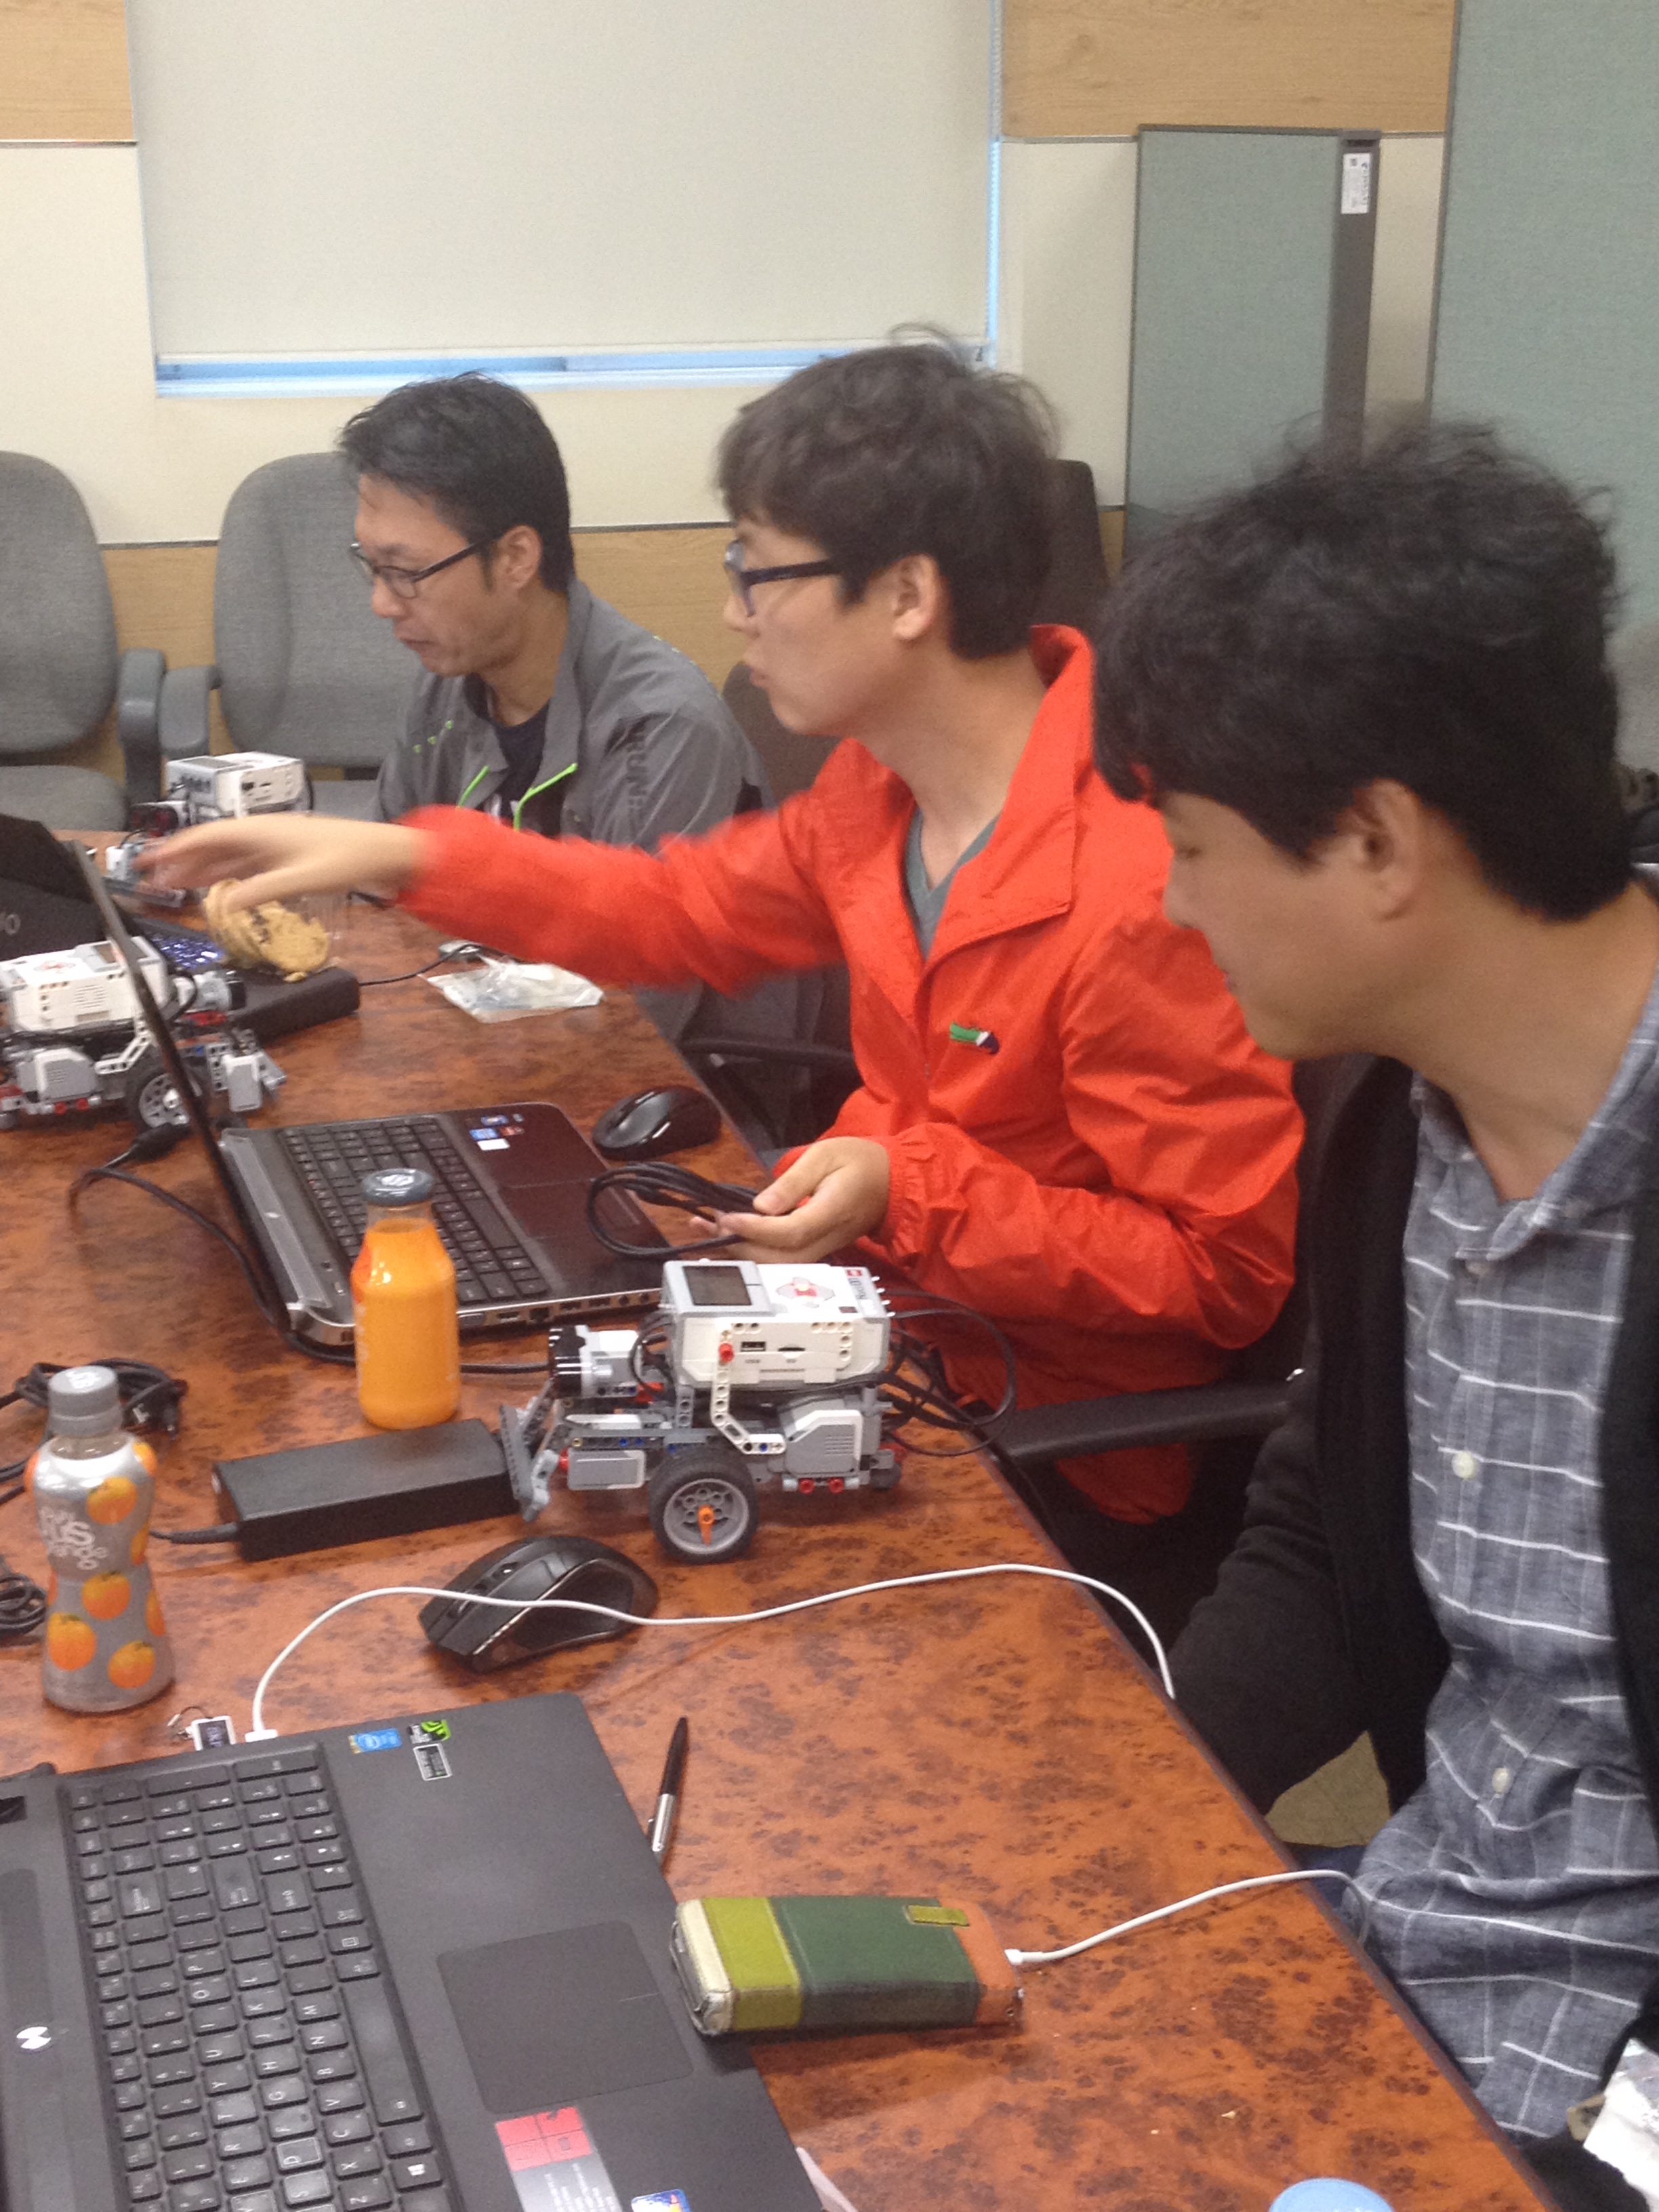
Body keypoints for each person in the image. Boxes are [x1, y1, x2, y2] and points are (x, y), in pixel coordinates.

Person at [148, 340, 1300, 1530]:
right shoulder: (882, 791)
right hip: (875, 1334)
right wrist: (409, 856)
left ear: (907, 595)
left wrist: (909, 1189)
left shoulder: (1147, 879)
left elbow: (1220, 1273)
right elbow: (675, 908)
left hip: (1034, 1445)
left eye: (758, 573)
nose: (732, 613)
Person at [1091, 423, 1659, 2208]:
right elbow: (1323, 1533)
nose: (1173, 903)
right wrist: (1127, 1817)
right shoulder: (1387, 1113)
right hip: (1411, 1958)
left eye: (1194, 846)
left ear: (1376, 841)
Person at [342, 370, 797, 1057]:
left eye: (406, 572)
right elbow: (384, 898)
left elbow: (635, 1019)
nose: (382, 603)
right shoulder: (447, 683)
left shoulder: (661, 726)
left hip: (683, 1085)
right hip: (497, 1047)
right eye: (372, 567)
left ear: (516, 557)